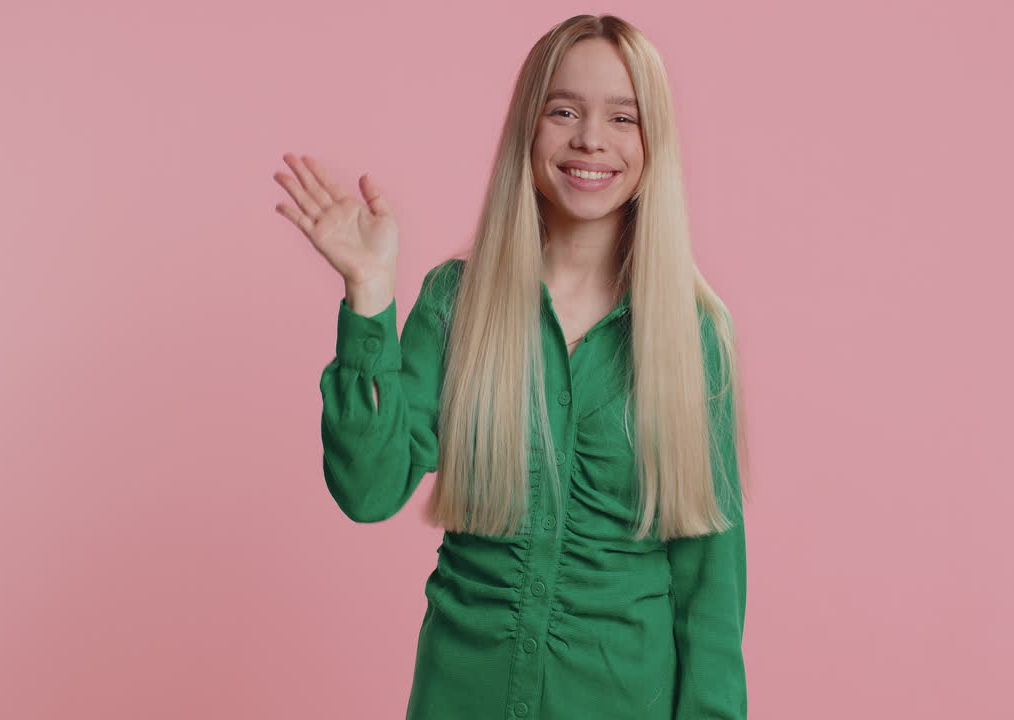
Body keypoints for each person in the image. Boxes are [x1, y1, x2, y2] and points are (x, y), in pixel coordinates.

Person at [274, 13, 751, 720]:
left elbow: (711, 591)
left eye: (624, 117)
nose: (591, 138)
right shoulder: (456, 303)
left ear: (655, 144)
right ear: (528, 128)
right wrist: (370, 297)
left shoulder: (693, 336)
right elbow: (367, 490)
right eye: (564, 110)